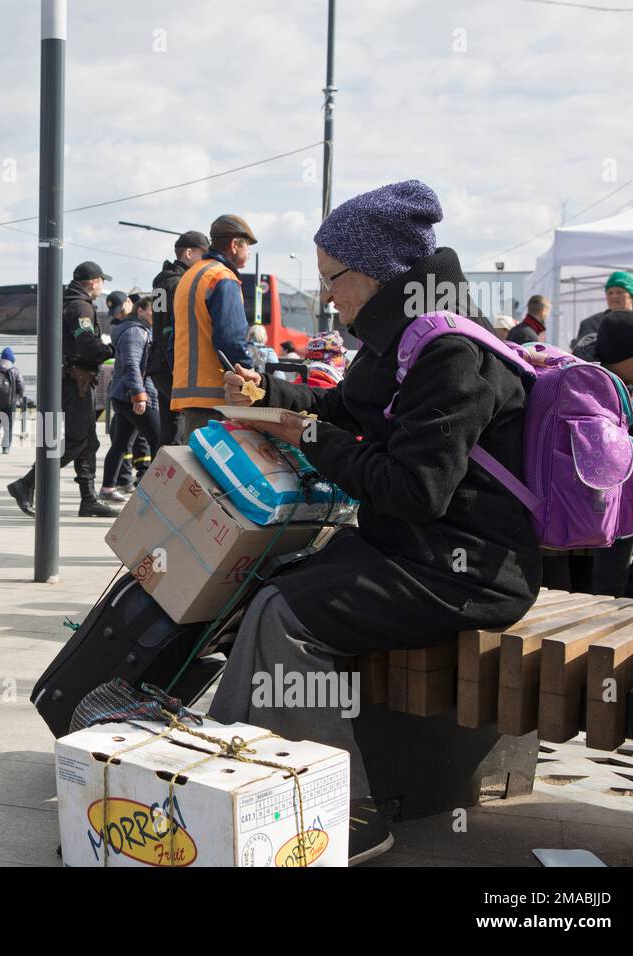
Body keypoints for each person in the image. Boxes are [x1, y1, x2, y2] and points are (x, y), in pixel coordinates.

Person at [213, 180, 540, 864]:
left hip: (469, 570)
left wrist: (310, 439)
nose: (327, 294)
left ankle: (341, 817)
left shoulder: (453, 354)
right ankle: (235, 771)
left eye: (332, 278)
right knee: (271, 584)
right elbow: (354, 413)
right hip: (416, 551)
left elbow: (415, 487)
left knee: (285, 613)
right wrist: (271, 395)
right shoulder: (407, 337)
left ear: (371, 275)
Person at [544, 309, 633, 597]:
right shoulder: (593, 390)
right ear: (617, 355)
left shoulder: (620, 383)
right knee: (610, 565)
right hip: (603, 492)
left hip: (615, 489)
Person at [5, 261, 118, 519]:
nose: (102, 288)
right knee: (77, 441)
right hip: (76, 381)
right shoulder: (80, 306)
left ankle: (88, 499)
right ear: (93, 282)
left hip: (73, 378)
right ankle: (27, 483)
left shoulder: (69, 302)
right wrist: (110, 351)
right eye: (101, 282)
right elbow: (87, 344)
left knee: (89, 442)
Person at [171, 214, 256, 443]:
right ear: (234, 244)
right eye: (247, 245)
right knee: (220, 473)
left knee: (197, 473)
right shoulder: (222, 278)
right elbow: (231, 340)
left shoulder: (190, 276)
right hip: (217, 397)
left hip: (189, 395)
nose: (249, 252)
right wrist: (250, 383)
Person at [99, 295, 161, 502]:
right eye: (151, 310)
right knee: (159, 441)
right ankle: (155, 493)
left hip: (125, 395)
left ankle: (107, 489)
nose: (155, 314)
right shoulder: (135, 331)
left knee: (121, 444)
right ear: (140, 310)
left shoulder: (139, 330)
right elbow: (131, 365)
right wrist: (139, 394)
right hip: (134, 395)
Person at [151, 231, 209, 446]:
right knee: (181, 428)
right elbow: (176, 326)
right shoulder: (180, 283)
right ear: (189, 253)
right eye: (203, 254)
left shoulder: (162, 280)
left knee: (169, 429)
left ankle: (161, 478)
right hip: (171, 362)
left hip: (158, 361)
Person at [572, 271, 633, 359]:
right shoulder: (591, 323)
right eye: (610, 293)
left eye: (619, 292)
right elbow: (583, 355)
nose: (614, 296)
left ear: (632, 296)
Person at [0, 346, 24, 454]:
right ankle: (6, 447)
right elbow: (21, 385)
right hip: (10, 401)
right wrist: (19, 394)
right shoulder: (15, 370)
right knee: (9, 424)